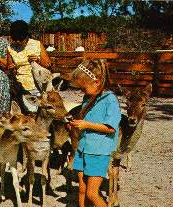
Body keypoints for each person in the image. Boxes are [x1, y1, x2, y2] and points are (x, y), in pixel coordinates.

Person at [66, 59, 121, 207]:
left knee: (92, 193)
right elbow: (86, 120)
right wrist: (75, 125)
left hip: (98, 151)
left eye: (83, 88)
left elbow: (111, 128)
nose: (81, 92)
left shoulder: (110, 100)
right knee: (82, 190)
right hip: (83, 148)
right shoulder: (88, 97)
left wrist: (86, 124)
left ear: (97, 82)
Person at [7, 20, 52, 113]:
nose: (18, 42)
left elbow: (48, 65)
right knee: (27, 114)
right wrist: (12, 68)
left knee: (39, 113)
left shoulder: (36, 44)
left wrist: (38, 60)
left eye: (21, 39)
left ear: (26, 35)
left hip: (37, 86)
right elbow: (10, 69)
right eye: (15, 39)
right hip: (21, 88)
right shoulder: (10, 48)